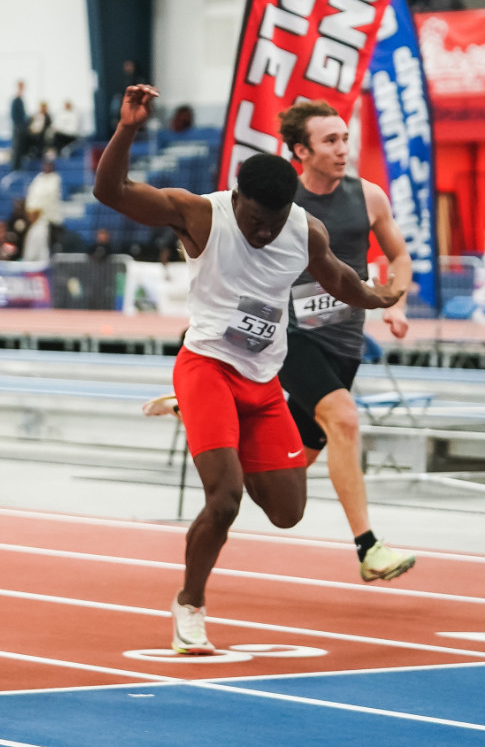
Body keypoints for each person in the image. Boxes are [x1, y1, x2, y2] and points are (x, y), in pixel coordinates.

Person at [93, 84, 400, 655]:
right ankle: (190, 605)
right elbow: (110, 190)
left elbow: (335, 276)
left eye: (273, 223)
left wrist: (374, 297)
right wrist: (129, 127)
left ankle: (218, 430)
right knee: (226, 497)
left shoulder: (303, 229)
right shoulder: (199, 215)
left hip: (263, 382)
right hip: (207, 366)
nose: (264, 233)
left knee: (287, 512)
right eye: (257, 221)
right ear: (238, 199)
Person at [274, 100, 417, 583]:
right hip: (290, 337)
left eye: (344, 139)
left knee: (288, 467)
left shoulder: (369, 197)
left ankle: (218, 430)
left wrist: (394, 302)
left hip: (344, 343)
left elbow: (398, 256)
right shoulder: (280, 201)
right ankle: (369, 547)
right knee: (345, 417)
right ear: (301, 151)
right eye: (329, 141)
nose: (341, 150)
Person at [23, 156, 62, 262]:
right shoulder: (38, 179)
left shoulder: (55, 180)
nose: (46, 167)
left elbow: (47, 199)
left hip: (48, 221)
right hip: (36, 222)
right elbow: (32, 199)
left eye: (49, 165)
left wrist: (38, 212)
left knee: (43, 252)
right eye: (45, 164)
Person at [10, 80, 29, 169]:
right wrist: (20, 125)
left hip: (20, 127)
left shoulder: (20, 99)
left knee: (20, 147)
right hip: (18, 127)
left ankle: (18, 166)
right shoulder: (16, 100)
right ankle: (15, 167)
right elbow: (14, 116)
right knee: (17, 148)